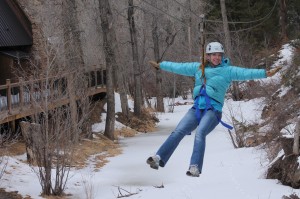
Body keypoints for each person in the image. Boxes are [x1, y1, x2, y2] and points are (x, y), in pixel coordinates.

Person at [146, 41, 282, 177]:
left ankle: (195, 167)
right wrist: (161, 66)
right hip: (197, 109)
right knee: (178, 131)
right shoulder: (198, 68)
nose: (217, 57)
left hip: (213, 111)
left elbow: (246, 73)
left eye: (219, 55)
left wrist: (266, 73)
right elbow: (179, 67)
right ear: (208, 56)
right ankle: (159, 158)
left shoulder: (228, 71)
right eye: (213, 55)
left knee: (200, 132)